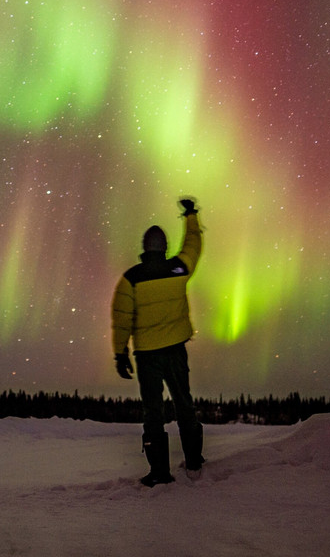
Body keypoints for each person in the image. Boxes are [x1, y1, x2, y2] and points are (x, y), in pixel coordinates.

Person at [111, 197, 204, 486]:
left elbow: (122, 317)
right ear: (163, 248)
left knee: (153, 412)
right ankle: (193, 460)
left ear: (144, 247)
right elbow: (193, 246)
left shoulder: (131, 278)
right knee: (184, 404)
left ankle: (159, 472)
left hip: (147, 355)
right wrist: (190, 216)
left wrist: (120, 353)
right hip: (175, 350)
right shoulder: (178, 269)